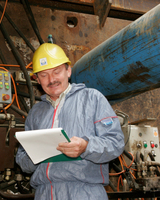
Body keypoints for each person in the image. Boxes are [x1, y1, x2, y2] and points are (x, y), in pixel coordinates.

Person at [16, 43, 124, 199]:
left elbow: (116, 143)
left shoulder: (92, 98)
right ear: (37, 80)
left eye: (56, 71)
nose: (51, 79)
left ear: (68, 71)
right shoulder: (35, 113)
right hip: (44, 194)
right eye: (44, 75)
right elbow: (22, 160)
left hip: (85, 192)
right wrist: (35, 156)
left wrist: (86, 147)